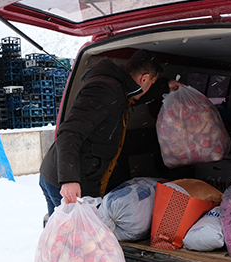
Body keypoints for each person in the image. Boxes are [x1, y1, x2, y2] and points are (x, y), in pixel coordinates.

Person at [39, 50, 181, 218]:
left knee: (68, 240)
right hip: (67, 183)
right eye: (151, 82)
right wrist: (69, 180)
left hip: (70, 177)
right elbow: (70, 132)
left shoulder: (120, 88)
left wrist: (165, 87)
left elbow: (136, 96)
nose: (149, 86)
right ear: (144, 78)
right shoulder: (105, 89)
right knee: (78, 241)